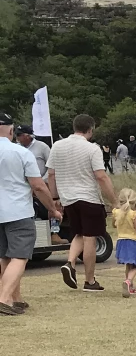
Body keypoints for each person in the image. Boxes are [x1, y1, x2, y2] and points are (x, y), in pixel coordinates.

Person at [1, 112, 64, 315]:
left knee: (4, 256)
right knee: (20, 256)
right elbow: (37, 186)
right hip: (18, 210)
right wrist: (52, 209)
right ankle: (3, 298)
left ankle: (14, 297)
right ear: (11, 131)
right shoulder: (20, 152)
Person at [50, 114, 119, 293]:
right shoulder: (92, 148)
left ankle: (70, 262)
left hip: (68, 199)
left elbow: (51, 173)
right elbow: (101, 176)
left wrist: (55, 197)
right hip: (89, 198)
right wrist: (114, 200)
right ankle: (89, 280)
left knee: (78, 233)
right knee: (90, 237)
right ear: (90, 129)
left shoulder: (57, 146)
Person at [17, 124, 59, 245]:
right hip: (24, 185)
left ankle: (54, 233)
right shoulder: (17, 148)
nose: (17, 138)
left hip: (42, 183)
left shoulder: (42, 147)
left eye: (20, 135)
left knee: (52, 207)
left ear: (28, 136)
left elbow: (51, 166)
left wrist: (41, 180)